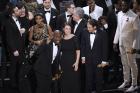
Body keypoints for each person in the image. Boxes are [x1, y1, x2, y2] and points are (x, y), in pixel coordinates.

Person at [113, 0, 139, 92]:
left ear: (129, 5)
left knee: (132, 64)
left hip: (130, 45)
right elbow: (118, 28)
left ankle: (134, 84)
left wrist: (134, 47)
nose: (123, 7)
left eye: (124, 5)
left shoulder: (134, 17)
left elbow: (137, 34)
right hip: (121, 44)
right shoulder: (119, 14)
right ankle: (126, 81)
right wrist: (115, 42)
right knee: (124, 63)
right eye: (121, 5)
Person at [81, 19, 108, 93]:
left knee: (98, 80)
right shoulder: (84, 32)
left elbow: (105, 47)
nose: (88, 28)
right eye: (87, 27)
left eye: (89, 27)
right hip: (88, 59)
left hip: (99, 60)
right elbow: (83, 45)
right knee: (88, 79)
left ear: (95, 27)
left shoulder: (103, 33)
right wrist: (83, 57)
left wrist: (104, 61)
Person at [5, 4, 26, 88]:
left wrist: (23, 30)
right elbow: (9, 38)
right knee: (13, 67)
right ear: (12, 13)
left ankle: (19, 82)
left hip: (20, 48)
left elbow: (17, 33)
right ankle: (13, 84)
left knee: (20, 66)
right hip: (15, 49)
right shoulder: (8, 22)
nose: (19, 11)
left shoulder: (19, 19)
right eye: (17, 10)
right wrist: (14, 50)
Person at [60, 23, 80, 93]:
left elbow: (78, 51)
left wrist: (77, 62)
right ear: (63, 29)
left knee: (73, 80)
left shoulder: (74, 37)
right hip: (63, 61)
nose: (68, 30)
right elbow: (60, 52)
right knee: (64, 80)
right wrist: (59, 63)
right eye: (66, 28)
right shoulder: (61, 38)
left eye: (69, 29)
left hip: (72, 61)